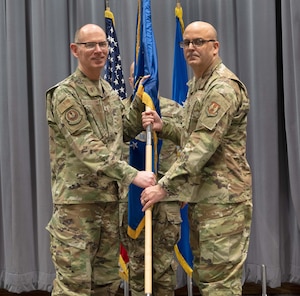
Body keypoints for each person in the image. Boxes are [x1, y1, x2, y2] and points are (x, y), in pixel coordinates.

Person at [140, 21, 253, 296]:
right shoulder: (199, 85)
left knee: (220, 286)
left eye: (198, 42)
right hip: (203, 198)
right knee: (206, 280)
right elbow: (193, 134)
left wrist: (163, 187)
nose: (191, 47)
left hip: (223, 203)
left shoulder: (222, 88)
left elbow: (202, 145)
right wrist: (163, 127)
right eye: (186, 43)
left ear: (215, 47)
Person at [45, 24, 156, 296]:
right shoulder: (65, 94)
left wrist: (142, 103)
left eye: (102, 44)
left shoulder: (107, 90)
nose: (98, 50)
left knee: (106, 285)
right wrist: (132, 175)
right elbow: (87, 147)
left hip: (109, 204)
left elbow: (123, 131)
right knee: (74, 286)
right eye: (90, 45)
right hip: (78, 208)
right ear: (75, 50)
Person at [120, 62, 182, 296]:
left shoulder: (173, 110)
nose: (143, 79)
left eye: (148, 74)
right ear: (129, 79)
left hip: (166, 199)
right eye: (137, 75)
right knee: (137, 267)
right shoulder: (120, 112)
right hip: (131, 200)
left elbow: (189, 152)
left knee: (164, 268)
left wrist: (179, 189)